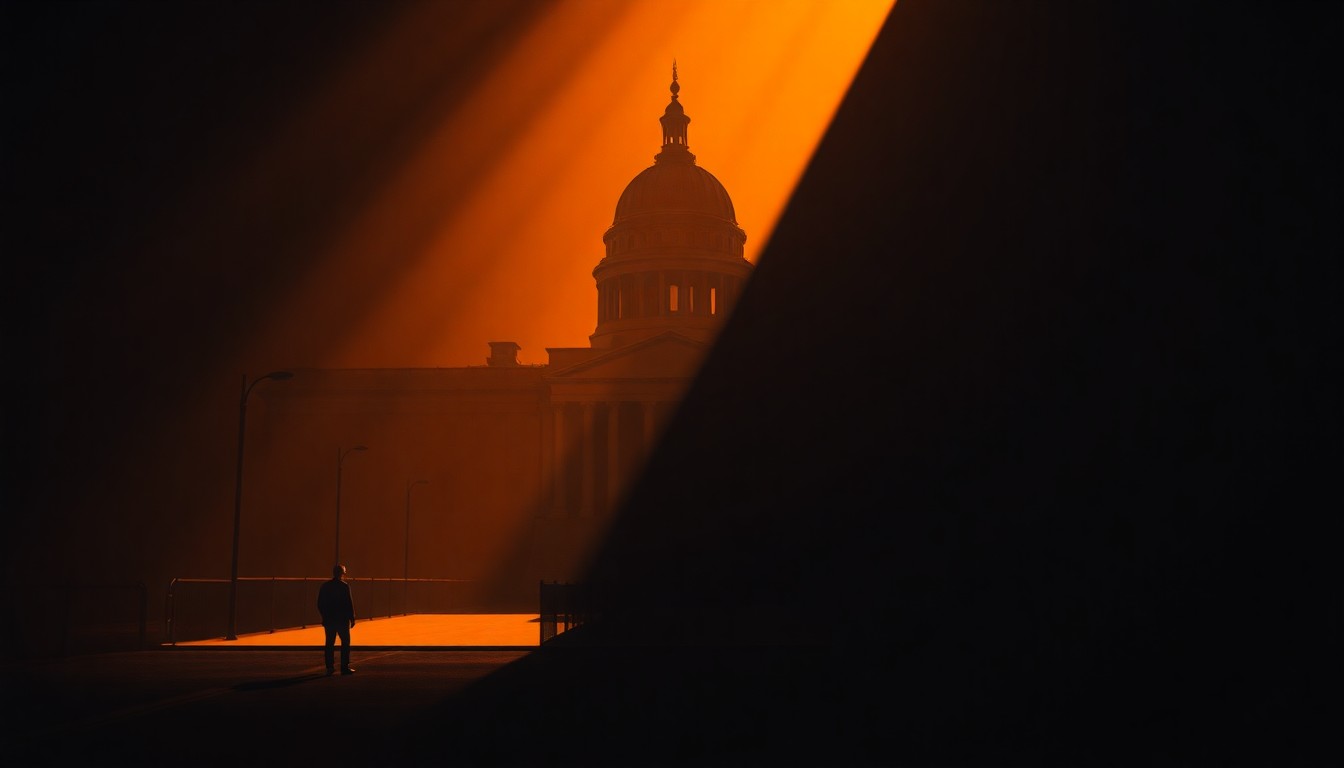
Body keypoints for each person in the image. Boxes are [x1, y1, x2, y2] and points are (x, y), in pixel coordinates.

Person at [317, 563, 356, 675]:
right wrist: (352, 618)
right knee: (345, 643)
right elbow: (349, 604)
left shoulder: (325, 586)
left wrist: (324, 616)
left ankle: (329, 667)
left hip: (330, 620)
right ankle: (344, 667)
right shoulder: (344, 586)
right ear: (342, 574)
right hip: (342, 620)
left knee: (329, 643)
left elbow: (320, 603)